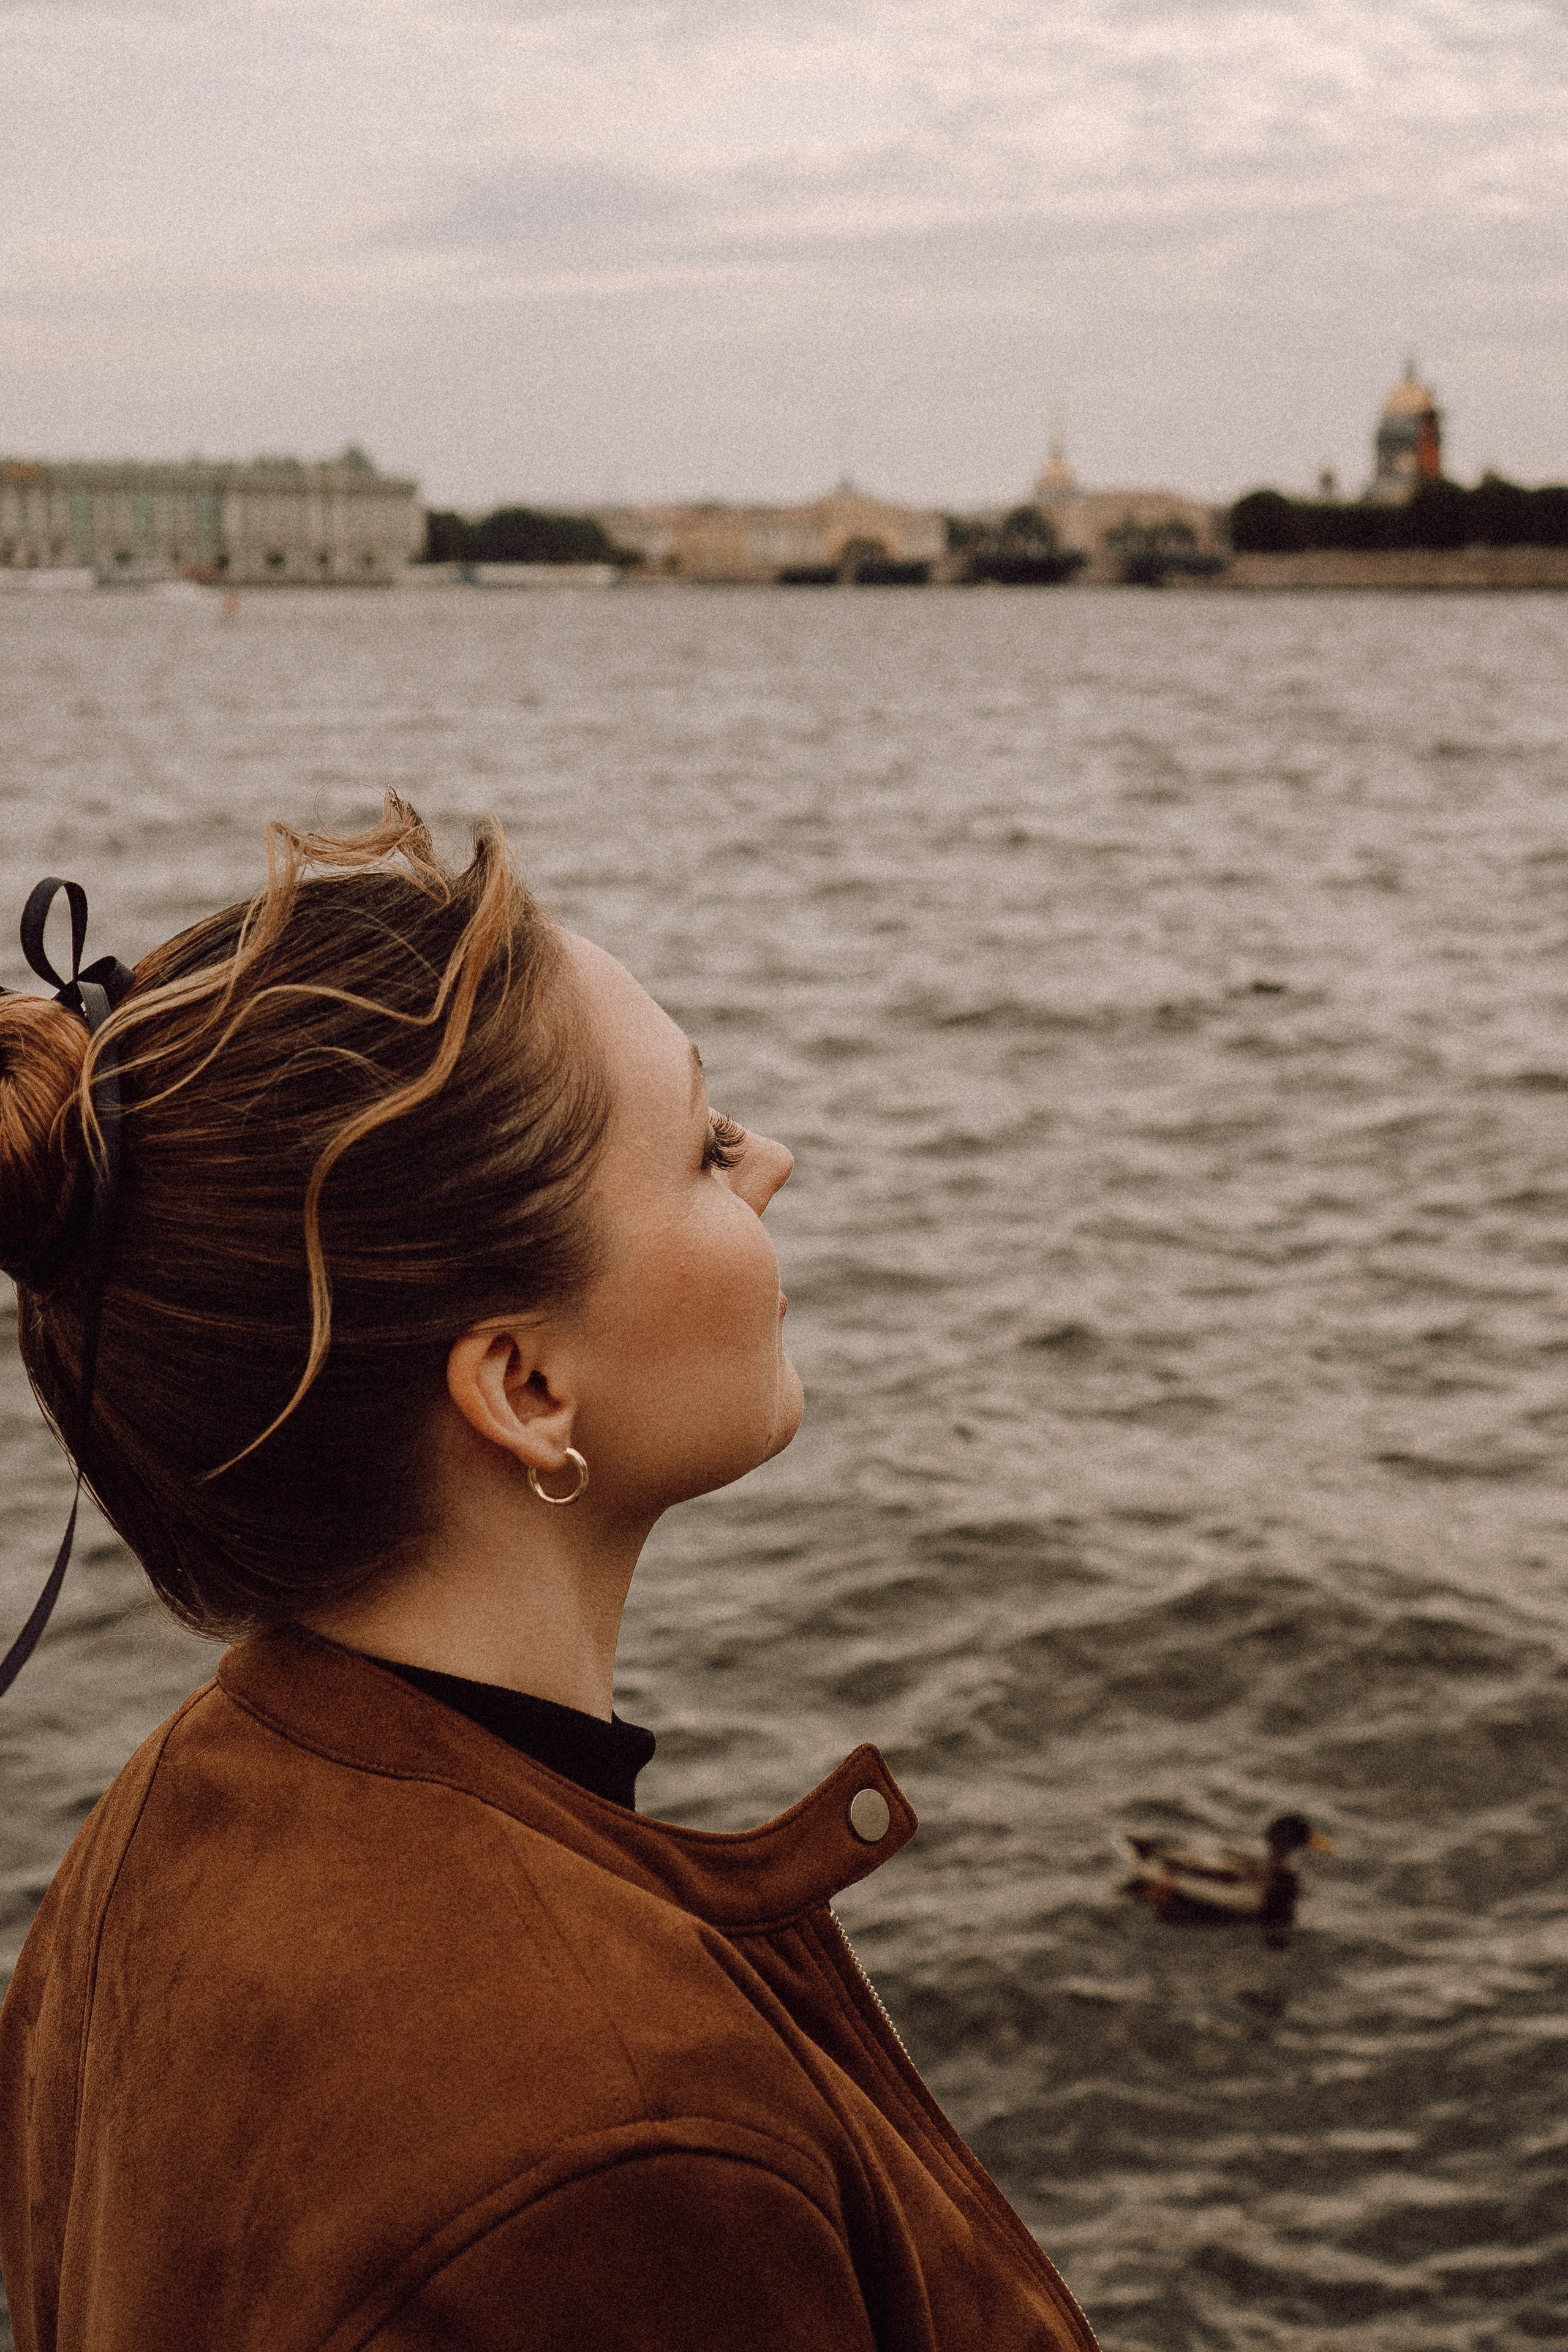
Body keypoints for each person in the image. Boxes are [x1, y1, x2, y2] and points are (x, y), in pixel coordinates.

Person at [0, 799, 1096, 2351]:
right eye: (705, 1146)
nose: (774, 1161)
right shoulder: (623, 2157)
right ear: (523, 1388)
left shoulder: (145, 1841)